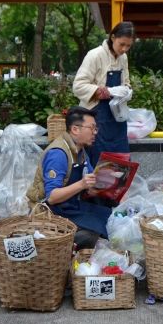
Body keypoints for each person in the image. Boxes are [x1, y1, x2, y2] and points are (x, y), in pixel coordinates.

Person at [26, 106, 111, 248]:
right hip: (51, 211)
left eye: (96, 128)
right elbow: (52, 197)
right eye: (92, 128)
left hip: (69, 205)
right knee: (94, 232)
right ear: (75, 129)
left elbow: (90, 179)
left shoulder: (81, 150)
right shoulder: (58, 154)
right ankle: (63, 247)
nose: (95, 133)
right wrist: (82, 185)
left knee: (107, 215)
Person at [72, 21, 135, 166]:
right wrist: (102, 91)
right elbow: (78, 86)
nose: (124, 49)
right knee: (97, 160)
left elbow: (126, 82)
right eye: (122, 44)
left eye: (128, 46)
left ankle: (117, 189)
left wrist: (127, 90)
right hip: (96, 117)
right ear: (113, 37)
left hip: (117, 118)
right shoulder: (94, 55)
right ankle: (93, 189)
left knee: (119, 161)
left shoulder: (123, 58)